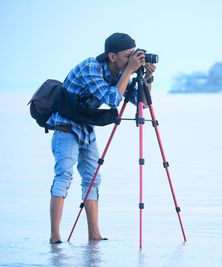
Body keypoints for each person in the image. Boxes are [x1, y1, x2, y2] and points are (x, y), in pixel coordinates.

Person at [46, 33, 156, 244]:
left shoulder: (120, 72)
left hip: (85, 127)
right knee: (64, 177)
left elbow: (140, 101)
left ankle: (94, 235)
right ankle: (55, 237)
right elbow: (113, 99)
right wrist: (130, 72)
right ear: (112, 56)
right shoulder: (91, 68)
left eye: (135, 54)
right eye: (128, 55)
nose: (133, 59)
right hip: (65, 126)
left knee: (93, 179)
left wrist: (147, 78)